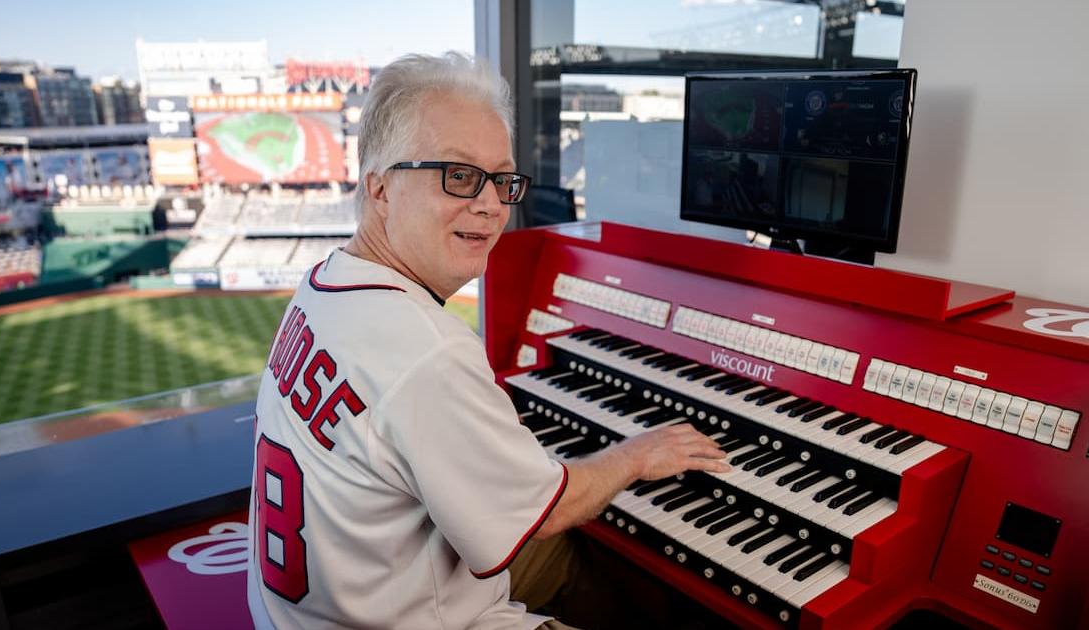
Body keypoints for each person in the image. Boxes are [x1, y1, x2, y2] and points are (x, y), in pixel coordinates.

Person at [246, 52, 730, 630]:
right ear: (379, 189)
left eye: (502, 180)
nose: (490, 204)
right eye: (457, 175)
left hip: (299, 610)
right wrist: (635, 454)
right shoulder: (426, 349)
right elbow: (547, 509)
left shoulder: (324, 283)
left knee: (582, 563)